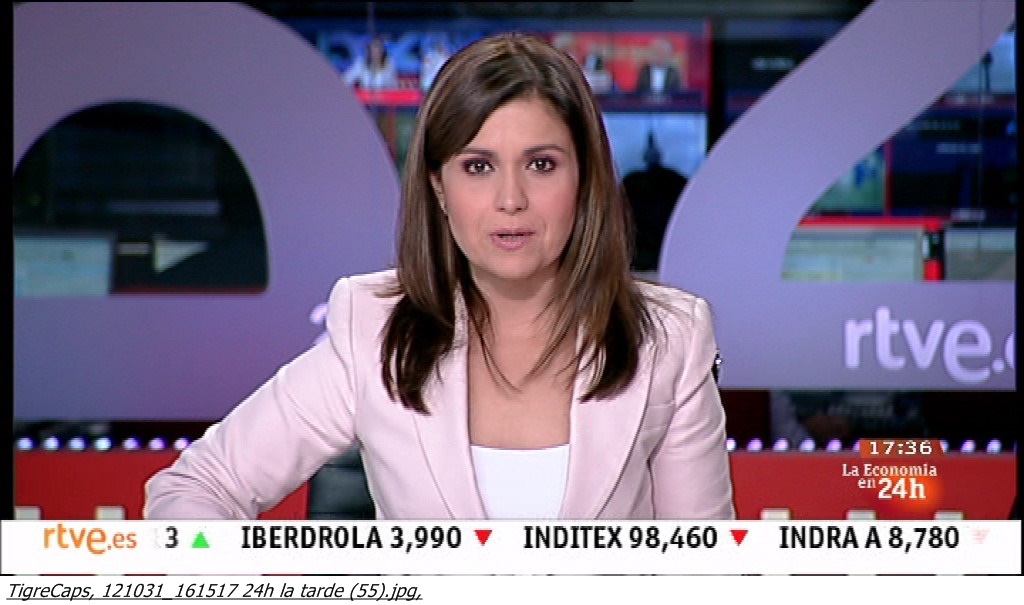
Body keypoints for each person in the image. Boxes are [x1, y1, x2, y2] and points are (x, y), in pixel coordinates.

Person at [145, 32, 734, 521]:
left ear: (584, 181)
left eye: (541, 164)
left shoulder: (668, 339)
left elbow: (706, 569)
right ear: (438, 187)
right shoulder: (374, 330)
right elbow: (194, 489)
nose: (511, 199)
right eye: (478, 166)